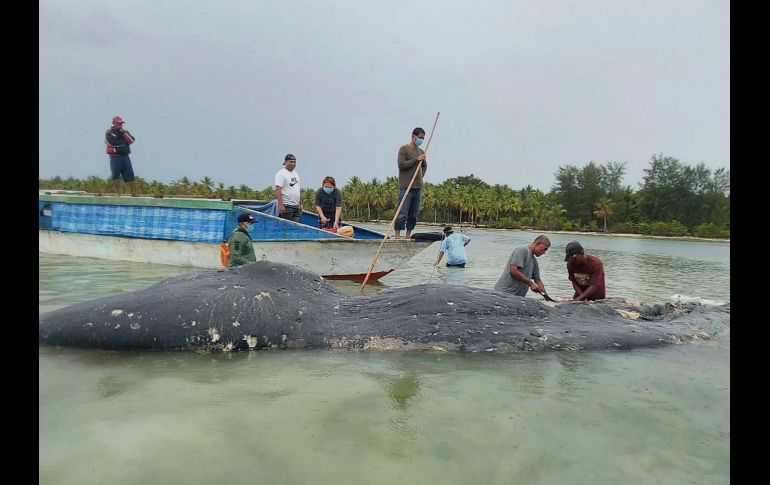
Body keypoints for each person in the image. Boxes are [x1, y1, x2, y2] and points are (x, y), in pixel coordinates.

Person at [395, 127, 427, 239]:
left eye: (423, 138)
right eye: (420, 137)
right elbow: (401, 165)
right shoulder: (404, 149)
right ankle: (398, 236)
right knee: (402, 213)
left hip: (418, 187)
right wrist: (416, 160)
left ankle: (408, 236)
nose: (421, 140)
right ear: (414, 137)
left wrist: (420, 176)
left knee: (413, 215)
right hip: (406, 187)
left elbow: (424, 167)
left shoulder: (421, 152)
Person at [105, 116, 137, 196]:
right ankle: (118, 193)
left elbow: (131, 140)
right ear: (114, 123)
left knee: (130, 174)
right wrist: (123, 144)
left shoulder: (125, 132)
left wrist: (123, 134)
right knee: (116, 175)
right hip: (115, 157)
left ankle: (133, 192)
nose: (120, 125)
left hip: (125, 156)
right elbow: (111, 142)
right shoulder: (109, 132)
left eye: (121, 123)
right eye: (118, 123)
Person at [275, 154, 302, 222]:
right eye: (291, 162)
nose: (293, 164)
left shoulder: (296, 174)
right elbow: (278, 190)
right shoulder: (281, 174)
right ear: (285, 162)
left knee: (296, 227)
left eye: (294, 162)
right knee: (286, 227)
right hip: (287, 206)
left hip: (296, 206)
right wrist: (281, 205)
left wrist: (300, 203)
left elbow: (297, 189)